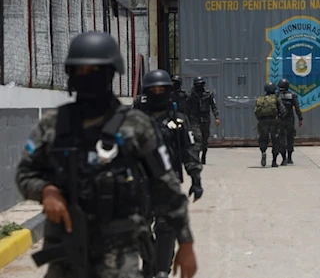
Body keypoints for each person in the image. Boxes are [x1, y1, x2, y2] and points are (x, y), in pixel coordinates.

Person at [14, 31, 197, 278]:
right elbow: (26, 172)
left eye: (96, 71)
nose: (89, 77)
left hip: (119, 249)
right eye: (82, 71)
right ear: (71, 75)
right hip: (66, 245)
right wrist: (46, 190)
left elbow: (167, 185)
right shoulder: (52, 125)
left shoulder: (135, 126)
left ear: (111, 73)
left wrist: (185, 243)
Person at [138, 69, 204, 278]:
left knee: (166, 230)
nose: (158, 93)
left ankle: (161, 270)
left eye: (161, 89)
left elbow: (189, 151)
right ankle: (150, 262)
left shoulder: (179, 121)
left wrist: (195, 178)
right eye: (153, 89)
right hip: (139, 186)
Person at [187, 76, 220, 164]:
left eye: (200, 84)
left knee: (205, 139)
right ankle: (196, 157)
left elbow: (213, 106)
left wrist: (216, 117)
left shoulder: (208, 94)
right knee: (198, 138)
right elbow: (187, 108)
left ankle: (204, 154)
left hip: (205, 119)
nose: (199, 86)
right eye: (197, 84)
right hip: (195, 119)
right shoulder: (191, 95)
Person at [255, 82, 287, 167]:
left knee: (263, 139)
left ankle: (263, 152)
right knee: (275, 141)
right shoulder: (276, 98)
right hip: (274, 122)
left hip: (262, 122)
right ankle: (274, 161)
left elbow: (256, 112)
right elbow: (283, 111)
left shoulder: (260, 99)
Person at [276, 78, 303, 166]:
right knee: (290, 138)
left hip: (280, 119)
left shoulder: (276, 95)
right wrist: (300, 119)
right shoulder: (293, 95)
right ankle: (290, 158)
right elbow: (297, 108)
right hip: (290, 119)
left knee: (281, 138)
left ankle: (283, 158)